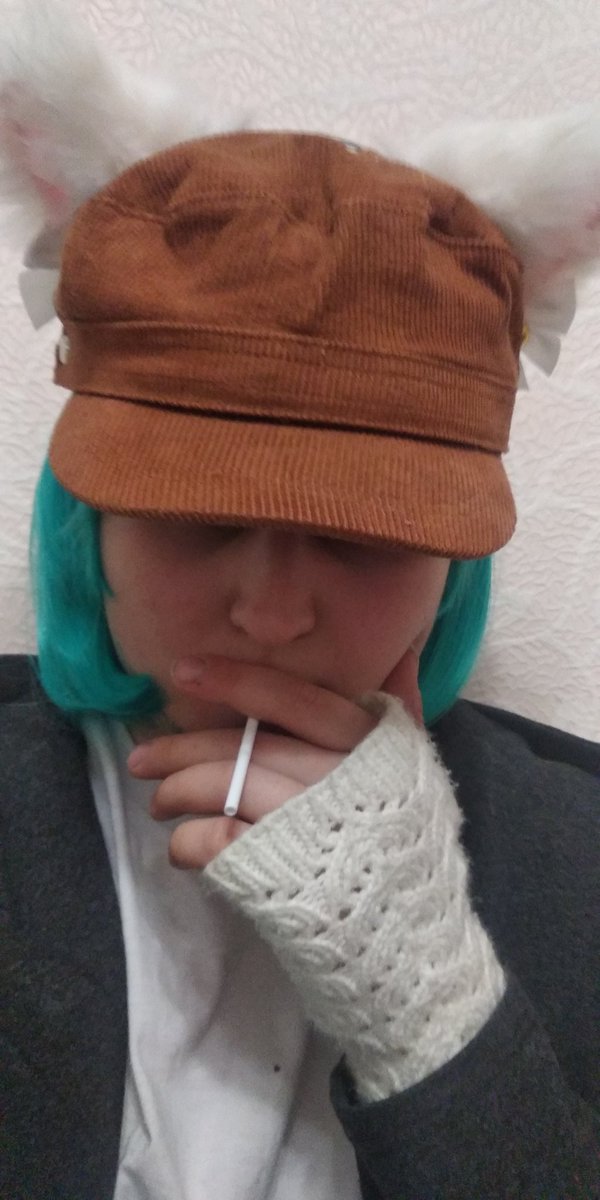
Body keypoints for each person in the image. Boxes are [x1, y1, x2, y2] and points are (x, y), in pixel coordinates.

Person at [1, 6, 599, 1199]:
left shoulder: (578, 856)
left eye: (362, 536)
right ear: (89, 517)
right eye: (196, 515)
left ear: (451, 561)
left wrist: (430, 1000)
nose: (272, 614)